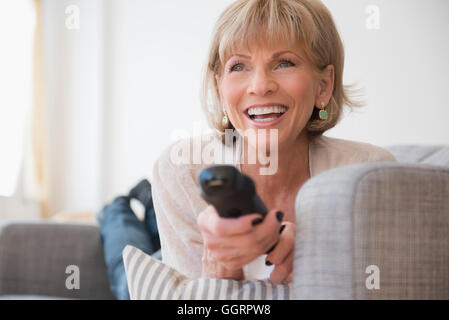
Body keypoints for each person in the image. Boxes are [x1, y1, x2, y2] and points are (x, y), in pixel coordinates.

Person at [151, 0, 396, 285]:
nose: (260, 85)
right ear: (220, 87)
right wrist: (220, 275)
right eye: (239, 66)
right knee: (123, 267)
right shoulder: (182, 170)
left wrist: (319, 266)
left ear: (323, 86)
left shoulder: (371, 175)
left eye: (284, 63)